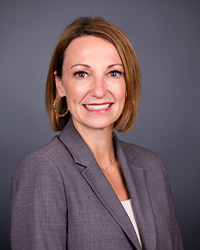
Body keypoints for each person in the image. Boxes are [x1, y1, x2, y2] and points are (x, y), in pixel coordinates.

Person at [11, 17, 183, 250]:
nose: (99, 91)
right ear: (60, 84)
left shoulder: (152, 166)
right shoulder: (43, 169)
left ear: (127, 82)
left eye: (113, 73)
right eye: (82, 74)